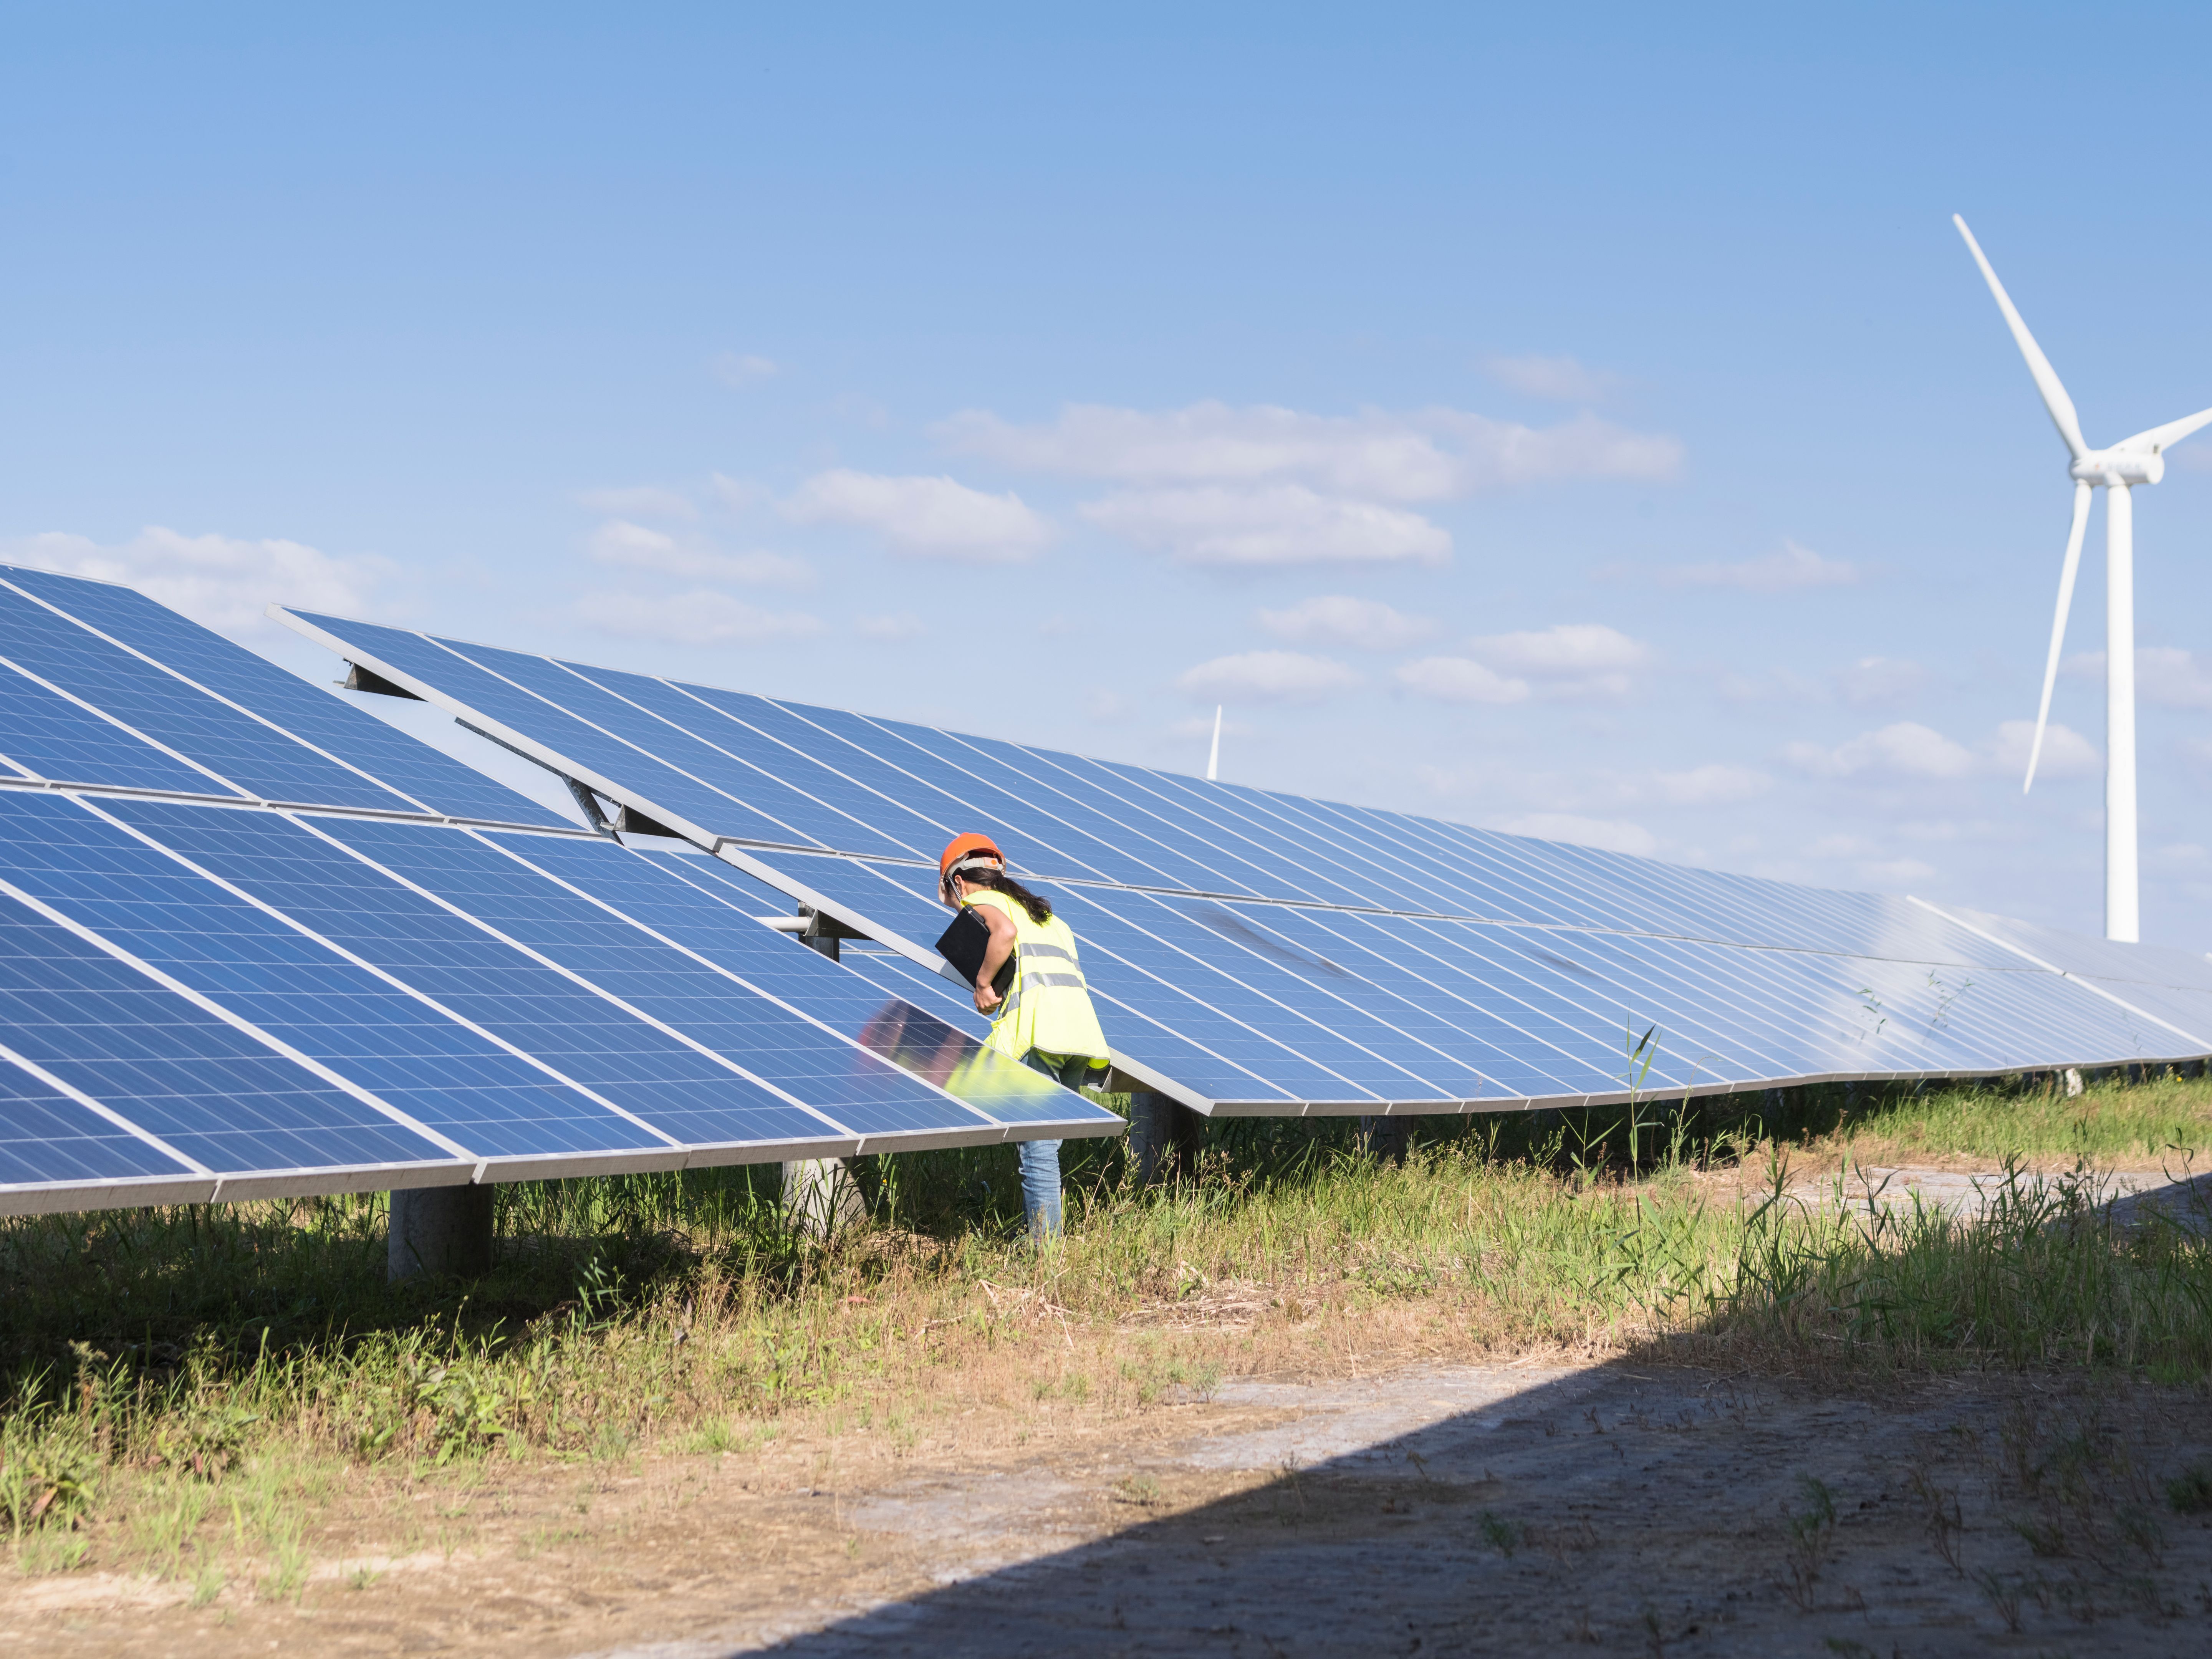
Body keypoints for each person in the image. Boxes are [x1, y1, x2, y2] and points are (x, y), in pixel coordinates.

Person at [938, 833, 1111, 1239]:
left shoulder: (986, 904)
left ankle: (1044, 1250)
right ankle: (1040, 1235)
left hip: (1040, 1035)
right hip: (1079, 1037)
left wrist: (982, 983)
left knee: (1036, 1147)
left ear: (959, 882)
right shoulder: (1046, 915)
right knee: (1046, 1144)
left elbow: (1004, 935)